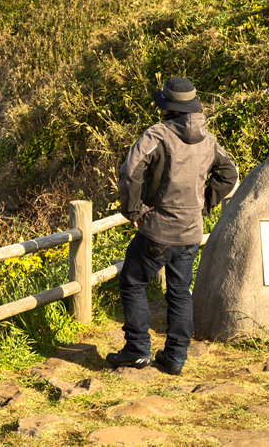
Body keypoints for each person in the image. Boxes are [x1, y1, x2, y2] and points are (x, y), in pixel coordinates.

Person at [106, 76, 238, 375]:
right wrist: (203, 204)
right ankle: (176, 357)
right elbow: (229, 172)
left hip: (158, 229)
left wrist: (134, 210)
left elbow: (130, 172)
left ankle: (137, 350)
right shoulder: (208, 138)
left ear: (166, 107)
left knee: (132, 282)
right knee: (180, 291)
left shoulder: (158, 135)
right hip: (191, 230)